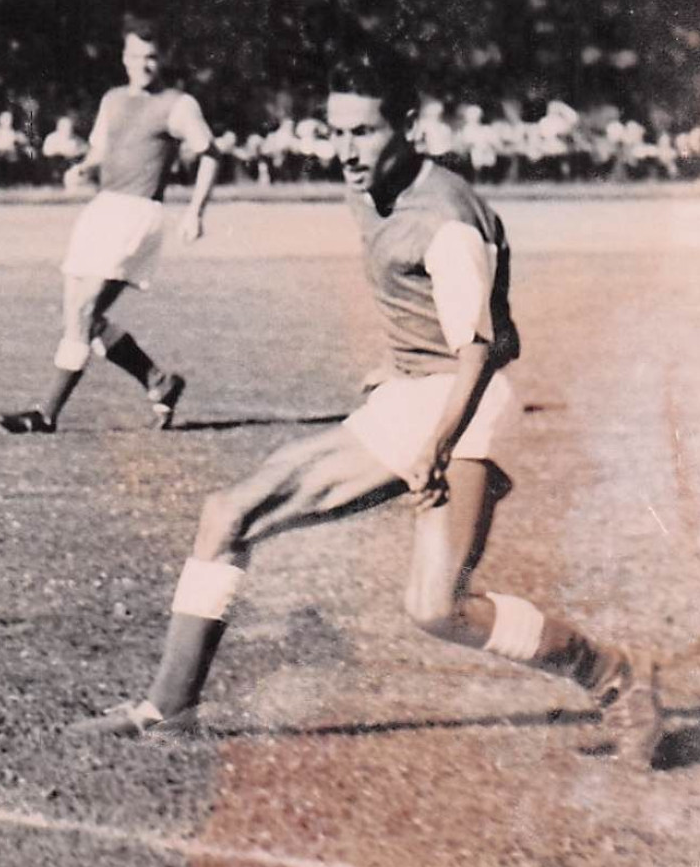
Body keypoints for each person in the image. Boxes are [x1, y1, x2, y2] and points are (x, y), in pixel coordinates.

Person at [71, 50, 663, 770]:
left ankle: (616, 677)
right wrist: (398, 363)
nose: (345, 151)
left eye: (363, 132)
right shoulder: (367, 187)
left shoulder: (445, 218)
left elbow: (480, 351)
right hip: (414, 391)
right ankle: (167, 709)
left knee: (436, 608)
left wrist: (435, 446)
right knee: (228, 514)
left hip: (463, 405)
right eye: (335, 132)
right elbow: (456, 318)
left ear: (407, 126)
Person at [0, 20, 218, 434]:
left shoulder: (178, 104)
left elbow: (210, 153)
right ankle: (159, 382)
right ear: (124, 58)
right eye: (136, 56)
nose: (144, 65)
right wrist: (83, 167)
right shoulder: (113, 99)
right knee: (80, 318)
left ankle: (45, 413)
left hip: (137, 214)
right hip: (102, 208)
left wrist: (195, 211)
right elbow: (102, 149)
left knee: (84, 309)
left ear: (163, 59)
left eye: (152, 57)